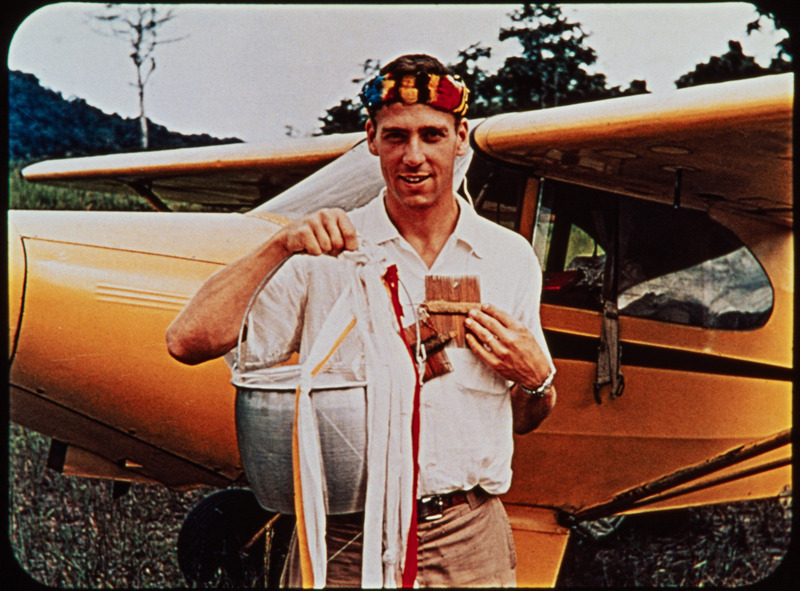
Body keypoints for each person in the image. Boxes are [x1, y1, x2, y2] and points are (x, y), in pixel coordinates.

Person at [166, 53, 556, 588]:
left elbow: (526, 416)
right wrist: (279, 244)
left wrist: (540, 379)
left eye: (432, 135)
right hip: (345, 535)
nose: (413, 156)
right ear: (371, 138)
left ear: (460, 137)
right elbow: (187, 341)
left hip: (467, 537)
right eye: (396, 137)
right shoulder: (327, 248)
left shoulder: (508, 256)